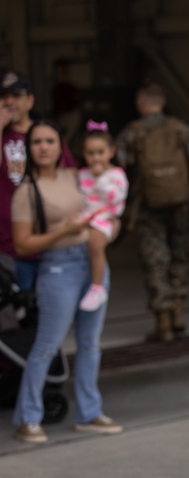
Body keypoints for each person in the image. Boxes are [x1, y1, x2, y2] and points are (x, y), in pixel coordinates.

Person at [10, 119, 122, 444]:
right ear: (29, 149)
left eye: (50, 141)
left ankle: (89, 412)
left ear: (61, 146)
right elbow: (22, 244)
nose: (43, 147)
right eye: (37, 142)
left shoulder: (78, 177)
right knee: (47, 345)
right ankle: (28, 417)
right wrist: (63, 232)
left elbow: (110, 211)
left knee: (90, 345)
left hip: (92, 262)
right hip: (58, 267)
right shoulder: (27, 190)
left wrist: (109, 232)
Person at [116, 80, 189, 342]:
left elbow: (118, 171)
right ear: (162, 101)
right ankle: (179, 311)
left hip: (146, 205)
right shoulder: (181, 129)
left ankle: (163, 322)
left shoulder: (130, 133)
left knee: (154, 261)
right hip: (181, 202)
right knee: (180, 255)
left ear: (140, 103)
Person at [1, 69, 78, 290]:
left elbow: (71, 176)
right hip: (8, 247)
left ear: (30, 100)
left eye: (15, 96)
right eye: (3, 97)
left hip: (51, 244)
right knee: (16, 318)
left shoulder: (45, 135)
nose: (9, 102)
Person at [77, 120, 129, 312]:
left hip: (105, 217)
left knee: (96, 245)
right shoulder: (82, 173)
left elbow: (117, 197)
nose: (96, 158)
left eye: (100, 152)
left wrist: (100, 179)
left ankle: (97, 287)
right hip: (85, 216)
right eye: (90, 153)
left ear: (111, 152)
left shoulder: (116, 174)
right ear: (84, 154)